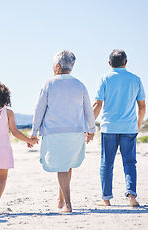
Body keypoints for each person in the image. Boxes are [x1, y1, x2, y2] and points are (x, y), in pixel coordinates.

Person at [31, 50, 96, 213]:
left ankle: (68, 204)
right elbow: (88, 110)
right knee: (67, 165)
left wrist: (34, 132)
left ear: (58, 66)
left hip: (54, 132)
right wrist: (91, 130)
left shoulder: (49, 84)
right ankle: (60, 200)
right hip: (76, 132)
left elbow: (39, 110)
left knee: (61, 167)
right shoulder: (80, 84)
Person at [93, 49, 146, 207]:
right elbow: (142, 106)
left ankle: (106, 199)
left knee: (106, 163)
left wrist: (88, 124)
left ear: (110, 63)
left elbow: (97, 104)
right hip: (129, 127)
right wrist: (139, 124)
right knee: (129, 162)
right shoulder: (135, 79)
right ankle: (132, 197)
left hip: (109, 127)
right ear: (126, 62)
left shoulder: (104, 79)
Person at [0, 82, 39, 215]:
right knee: (3, 177)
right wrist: (30, 140)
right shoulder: (9, 113)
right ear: (6, 98)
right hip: (3, 146)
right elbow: (15, 132)